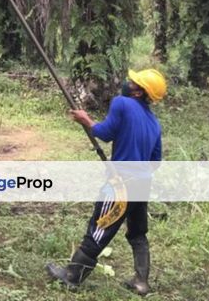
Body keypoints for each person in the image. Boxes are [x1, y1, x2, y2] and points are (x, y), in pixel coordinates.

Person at [46, 68, 167, 296]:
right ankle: (141, 282)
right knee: (137, 233)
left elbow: (105, 132)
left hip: (122, 184)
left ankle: (72, 275)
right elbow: (155, 161)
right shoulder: (154, 123)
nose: (128, 82)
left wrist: (86, 120)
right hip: (142, 184)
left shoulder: (122, 103)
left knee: (100, 227)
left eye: (133, 82)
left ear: (139, 92)